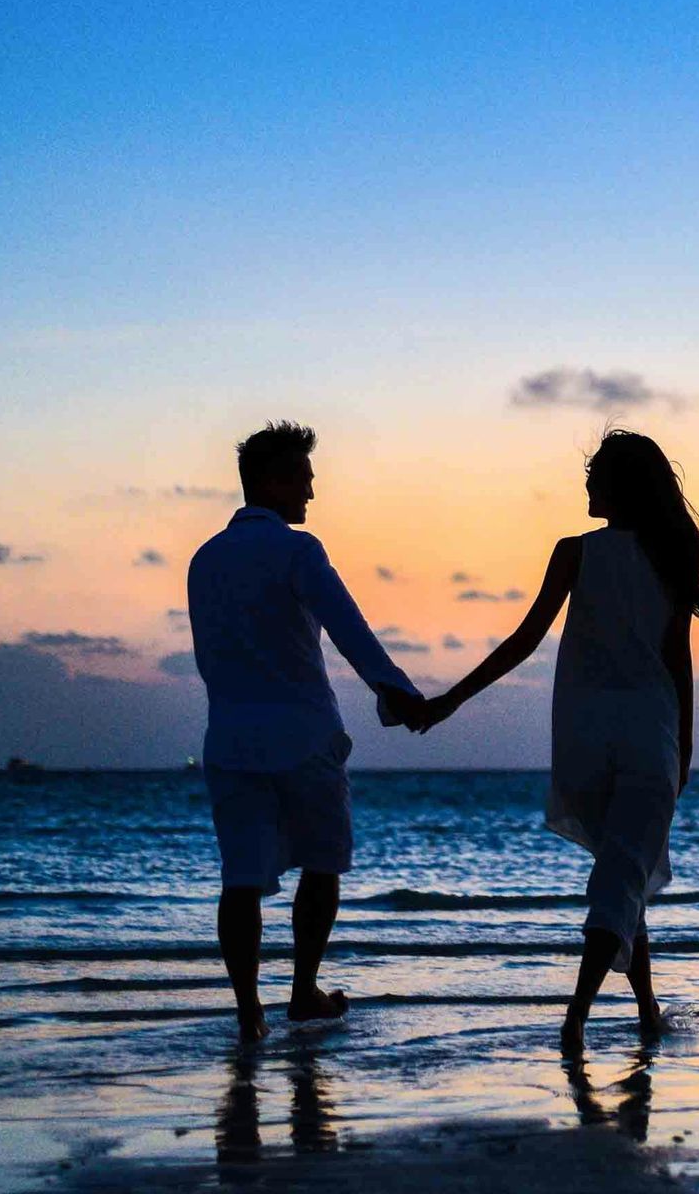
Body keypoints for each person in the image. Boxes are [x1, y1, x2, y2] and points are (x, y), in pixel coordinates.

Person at [423, 429, 699, 1052]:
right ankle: (577, 1018)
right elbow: (677, 662)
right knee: (620, 878)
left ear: (620, 486)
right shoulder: (670, 557)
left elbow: (524, 641)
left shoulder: (574, 552)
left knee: (622, 872)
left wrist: (451, 700)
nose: (586, 484)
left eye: (594, 475)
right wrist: (685, 749)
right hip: (650, 737)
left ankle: (647, 1010)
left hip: (585, 742)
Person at [187, 420, 428, 1041]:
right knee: (322, 864)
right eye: (304, 479)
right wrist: (396, 693)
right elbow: (348, 628)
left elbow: (208, 656)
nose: (311, 495)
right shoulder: (299, 550)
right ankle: (302, 991)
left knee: (241, 878)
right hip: (303, 735)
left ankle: (249, 1013)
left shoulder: (204, 559)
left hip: (231, 738)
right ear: (272, 480)